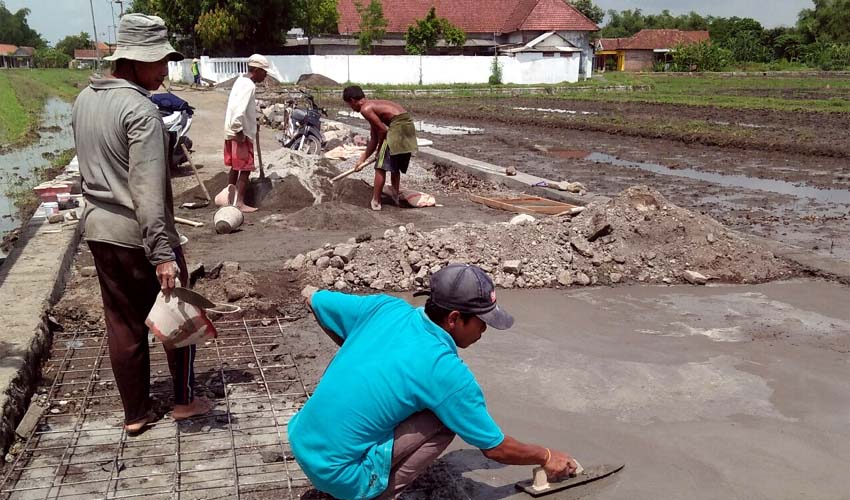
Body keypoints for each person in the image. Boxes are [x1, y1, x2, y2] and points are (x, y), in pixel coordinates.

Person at [289, 264, 578, 500]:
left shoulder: (384, 308)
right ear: (454, 319)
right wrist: (546, 455)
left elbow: (315, 299)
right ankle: (375, 494)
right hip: (340, 476)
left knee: (415, 402)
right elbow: (495, 448)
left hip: (301, 440)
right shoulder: (446, 373)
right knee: (444, 420)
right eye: (481, 321)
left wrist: (355, 344)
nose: (485, 330)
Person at [72, 13, 211, 436]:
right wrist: (163, 254)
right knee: (179, 311)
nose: (165, 71)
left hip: (98, 229)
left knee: (123, 322)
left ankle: (136, 413)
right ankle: (185, 401)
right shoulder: (141, 112)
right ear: (133, 61)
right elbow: (147, 192)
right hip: (137, 233)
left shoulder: (85, 100)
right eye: (159, 62)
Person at [343, 85, 418, 211]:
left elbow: (383, 130)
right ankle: (395, 196)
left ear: (352, 100)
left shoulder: (365, 109)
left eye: (349, 105)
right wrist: (362, 159)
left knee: (380, 166)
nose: (351, 108)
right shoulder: (372, 106)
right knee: (395, 165)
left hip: (397, 127)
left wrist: (379, 152)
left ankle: (376, 201)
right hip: (407, 126)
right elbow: (374, 137)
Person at [221, 54, 271, 213]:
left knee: (235, 167)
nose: (266, 75)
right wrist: (239, 130)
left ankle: (229, 200)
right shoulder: (249, 85)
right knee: (245, 167)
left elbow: (239, 106)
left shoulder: (240, 81)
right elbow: (239, 108)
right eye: (264, 72)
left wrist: (252, 122)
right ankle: (239, 203)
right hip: (240, 133)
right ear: (256, 70)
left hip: (232, 130)